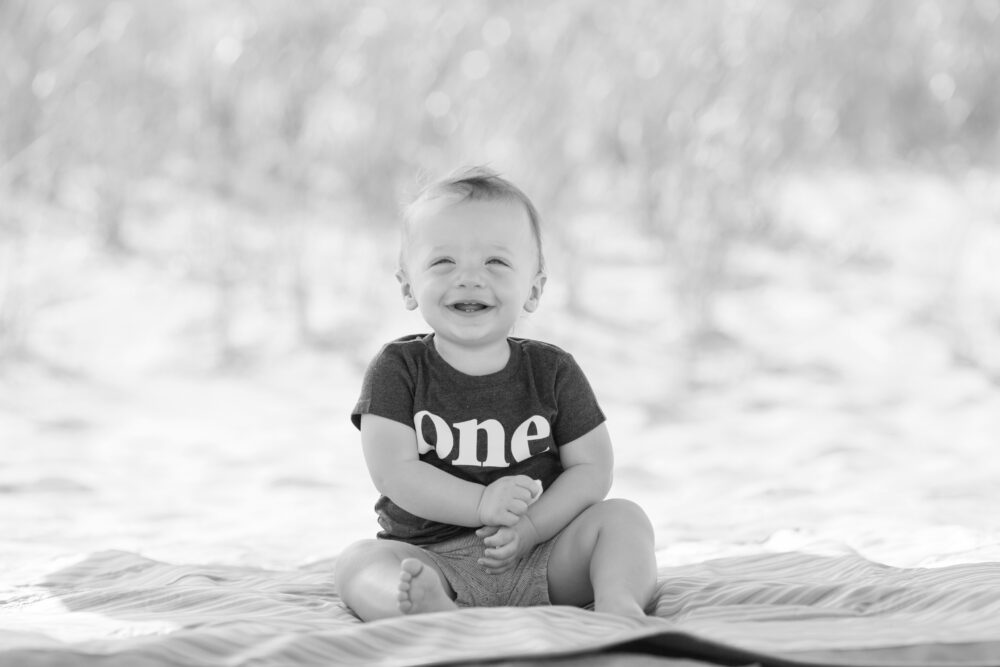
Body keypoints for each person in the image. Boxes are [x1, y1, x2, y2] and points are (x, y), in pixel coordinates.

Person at [335, 166, 657, 620]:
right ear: (408, 285)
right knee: (358, 562)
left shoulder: (553, 371)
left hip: (544, 555)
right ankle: (425, 610)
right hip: (434, 557)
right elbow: (395, 473)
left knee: (625, 519)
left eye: (496, 262)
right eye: (443, 262)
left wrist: (530, 527)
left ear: (534, 288)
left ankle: (619, 605)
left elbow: (592, 468)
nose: (469, 278)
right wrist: (481, 503)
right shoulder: (397, 370)